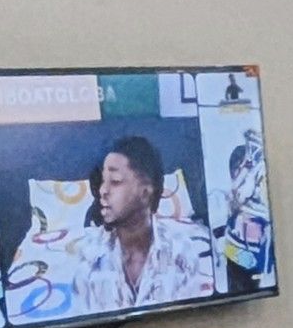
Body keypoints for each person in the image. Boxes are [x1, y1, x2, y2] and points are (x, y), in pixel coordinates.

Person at [73, 131, 220, 312]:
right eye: (102, 181)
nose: (103, 190)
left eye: (115, 181)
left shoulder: (182, 251)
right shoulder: (88, 255)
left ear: (145, 192)